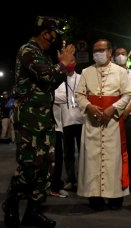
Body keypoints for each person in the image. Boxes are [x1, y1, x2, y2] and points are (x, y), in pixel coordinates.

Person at [3, 16, 76, 228]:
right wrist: (61, 65)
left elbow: (53, 81)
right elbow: (46, 76)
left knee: (46, 166)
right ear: (45, 33)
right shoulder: (28, 50)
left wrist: (63, 68)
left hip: (44, 118)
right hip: (28, 118)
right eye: (53, 35)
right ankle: (11, 204)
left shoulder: (43, 55)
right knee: (28, 165)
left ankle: (33, 211)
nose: (54, 39)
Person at [75, 39, 131, 211]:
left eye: (101, 50)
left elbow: (128, 94)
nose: (98, 53)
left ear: (109, 52)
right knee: (92, 159)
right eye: (95, 50)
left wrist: (113, 109)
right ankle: (95, 197)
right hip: (92, 122)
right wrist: (88, 107)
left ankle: (115, 197)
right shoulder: (86, 71)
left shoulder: (121, 72)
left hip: (112, 122)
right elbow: (79, 95)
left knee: (113, 160)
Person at [113, 47, 131, 193]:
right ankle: (116, 180)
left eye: (123, 54)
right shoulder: (110, 73)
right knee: (115, 149)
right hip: (113, 115)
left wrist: (127, 110)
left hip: (129, 117)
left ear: (127, 57)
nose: (120, 56)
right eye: (117, 54)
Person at [54, 56, 83, 191]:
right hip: (67, 121)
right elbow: (54, 96)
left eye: (72, 60)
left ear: (75, 63)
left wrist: (72, 96)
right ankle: (70, 180)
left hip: (82, 120)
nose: (70, 63)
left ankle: (83, 180)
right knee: (68, 153)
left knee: (84, 152)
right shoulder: (59, 80)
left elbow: (85, 95)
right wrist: (74, 96)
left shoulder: (82, 78)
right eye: (68, 61)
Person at [49, 100, 69, 198]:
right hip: (44, 125)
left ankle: (55, 186)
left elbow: (63, 97)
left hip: (56, 127)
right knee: (45, 158)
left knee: (58, 158)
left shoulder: (58, 85)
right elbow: (63, 96)